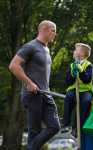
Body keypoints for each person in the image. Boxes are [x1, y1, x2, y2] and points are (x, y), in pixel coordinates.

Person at [9, 20, 60, 150]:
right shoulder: (30, 46)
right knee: (34, 131)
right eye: (53, 30)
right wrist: (29, 83)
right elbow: (13, 65)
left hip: (46, 94)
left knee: (54, 126)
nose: (55, 34)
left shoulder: (46, 49)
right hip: (33, 94)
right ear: (44, 29)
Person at [63, 43, 93, 148]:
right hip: (74, 89)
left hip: (85, 90)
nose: (74, 52)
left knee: (86, 101)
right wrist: (73, 73)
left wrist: (81, 71)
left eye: (76, 50)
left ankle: (79, 126)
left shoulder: (89, 65)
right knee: (69, 97)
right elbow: (68, 82)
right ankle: (66, 123)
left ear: (82, 53)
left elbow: (87, 80)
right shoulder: (72, 65)